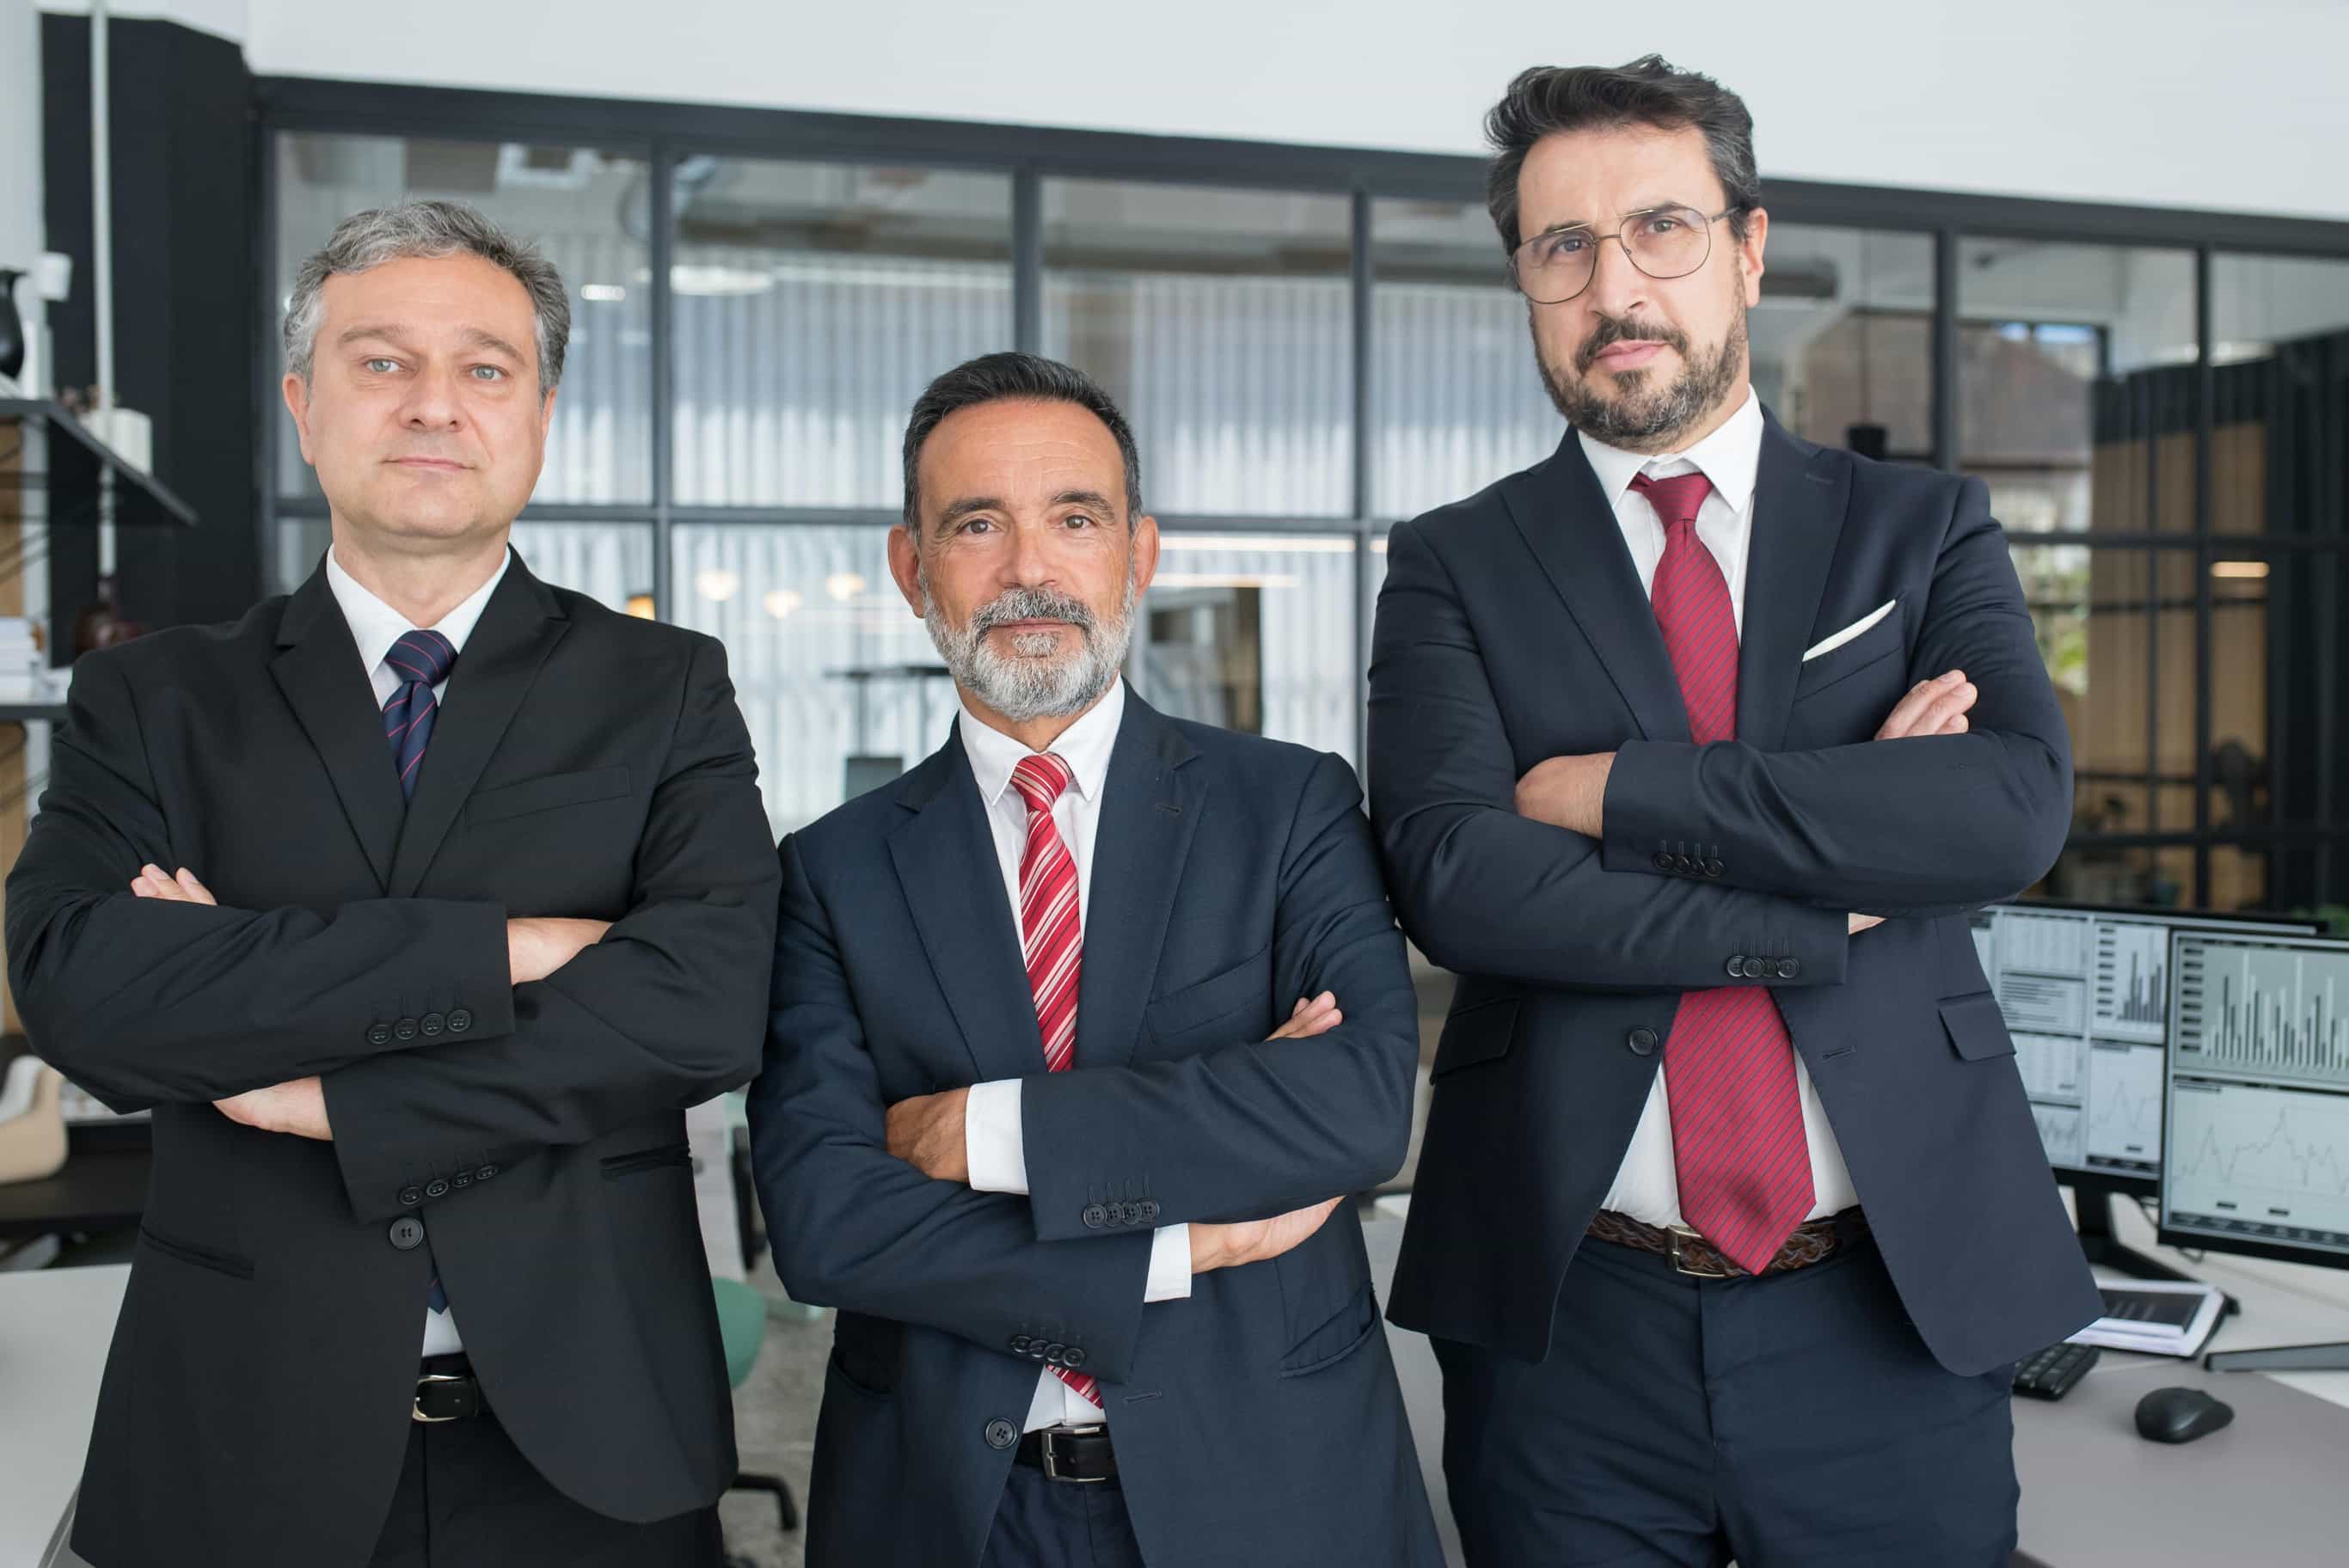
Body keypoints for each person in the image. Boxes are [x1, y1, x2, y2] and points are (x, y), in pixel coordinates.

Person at [1368, 58, 2101, 1566]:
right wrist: (1828, 887)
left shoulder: (1919, 529)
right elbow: (1460, 879)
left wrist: (1619, 793)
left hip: (1892, 1300)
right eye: (1563, 245)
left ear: (1749, 250)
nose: (1614, 286)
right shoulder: (1454, 563)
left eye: (1661, 228)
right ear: (1524, 279)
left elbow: (2006, 811)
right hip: (1570, 1321)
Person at [6, 199, 777, 1568]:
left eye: (484, 367)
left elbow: (707, 1005)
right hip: (243, 1432)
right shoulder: (156, 698)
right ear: (303, 406)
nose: (434, 403)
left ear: (540, 414)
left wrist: (323, 1094)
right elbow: (82, 987)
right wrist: (511, 952)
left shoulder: (662, 687)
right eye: (381, 362)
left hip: (594, 1435)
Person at [751, 351, 1444, 1568]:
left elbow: (1354, 1109)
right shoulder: (832, 869)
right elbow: (828, 1223)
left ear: (1139, 551)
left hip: (1269, 1488)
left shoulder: (1288, 806)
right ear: (912, 569)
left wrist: (983, 1132)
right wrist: (1190, 1237)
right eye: (978, 524)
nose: (1030, 567)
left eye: (1075, 518)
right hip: (951, 1508)